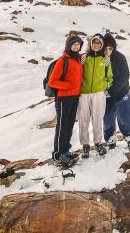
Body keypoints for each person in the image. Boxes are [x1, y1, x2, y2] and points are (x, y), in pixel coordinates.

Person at [48, 35, 84, 168]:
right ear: (68, 45)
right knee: (62, 127)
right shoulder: (63, 61)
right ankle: (58, 155)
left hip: (74, 97)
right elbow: (52, 81)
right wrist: (67, 86)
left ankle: (65, 150)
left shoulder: (78, 59)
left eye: (78, 44)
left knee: (69, 126)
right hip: (64, 99)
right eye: (74, 44)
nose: (76, 46)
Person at [77, 33, 113, 157]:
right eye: (94, 42)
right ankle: (85, 145)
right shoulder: (84, 57)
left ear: (101, 45)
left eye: (99, 43)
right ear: (91, 44)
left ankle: (98, 143)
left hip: (99, 94)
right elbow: (78, 72)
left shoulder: (105, 59)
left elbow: (109, 76)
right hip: (84, 93)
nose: (96, 45)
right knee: (83, 119)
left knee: (97, 119)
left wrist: (105, 87)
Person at [102, 32, 130, 151]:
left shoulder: (120, 58)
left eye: (110, 48)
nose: (108, 50)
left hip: (122, 94)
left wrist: (113, 91)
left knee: (125, 118)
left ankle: (129, 138)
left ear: (114, 47)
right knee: (108, 120)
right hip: (106, 96)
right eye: (105, 48)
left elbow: (124, 76)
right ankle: (110, 139)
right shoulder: (100, 59)